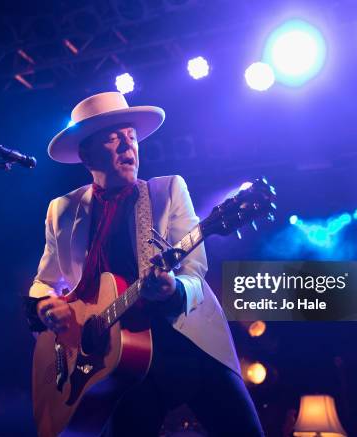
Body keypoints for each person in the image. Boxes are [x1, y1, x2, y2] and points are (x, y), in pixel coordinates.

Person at [26, 92, 264, 436]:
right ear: (86, 153)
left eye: (131, 137)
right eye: (113, 139)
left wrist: (172, 289)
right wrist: (47, 305)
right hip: (119, 363)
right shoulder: (62, 210)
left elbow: (194, 273)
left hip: (186, 343)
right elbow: (43, 283)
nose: (128, 147)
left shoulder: (167, 191)